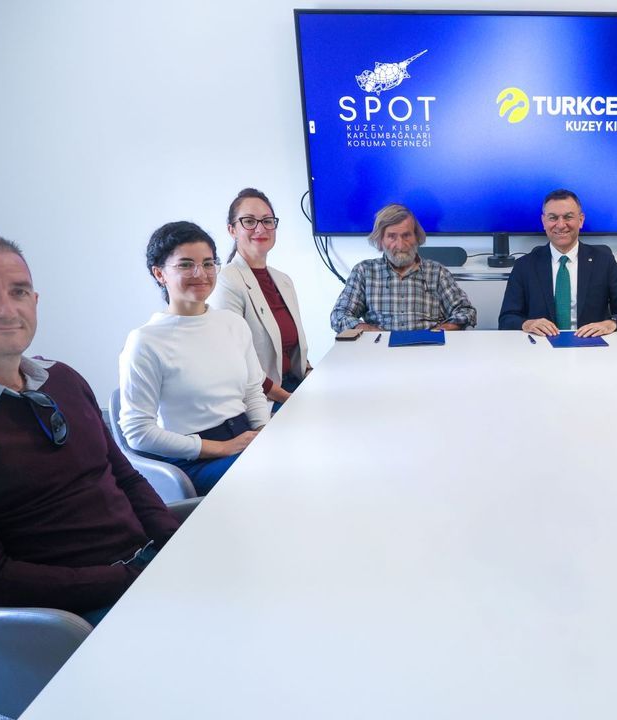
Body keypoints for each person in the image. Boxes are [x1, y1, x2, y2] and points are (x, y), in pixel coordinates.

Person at [0, 231, 180, 623]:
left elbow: (124, 477)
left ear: (35, 301)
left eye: (19, 292)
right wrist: (134, 579)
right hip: (69, 619)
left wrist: (174, 548)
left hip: (142, 573)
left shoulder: (63, 379)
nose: (7, 309)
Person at [119, 221, 269, 495]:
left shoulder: (232, 324)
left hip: (243, 436)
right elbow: (137, 432)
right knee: (274, 473)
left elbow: (252, 391)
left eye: (208, 264)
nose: (201, 273)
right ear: (159, 273)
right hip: (194, 458)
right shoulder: (145, 341)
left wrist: (264, 431)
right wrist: (220, 448)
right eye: (186, 265)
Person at [208, 188, 312, 408]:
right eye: (249, 221)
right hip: (262, 400)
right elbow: (236, 361)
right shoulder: (226, 282)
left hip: (293, 386)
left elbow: (292, 350)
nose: (260, 228)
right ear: (232, 230)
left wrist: (312, 377)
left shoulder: (283, 280)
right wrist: (290, 399)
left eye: (267, 221)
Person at [498, 189, 617, 336]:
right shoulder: (524, 265)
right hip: (541, 345)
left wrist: (611, 323)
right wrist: (527, 324)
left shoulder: (603, 261)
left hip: (592, 344)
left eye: (568, 217)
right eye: (553, 218)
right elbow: (507, 318)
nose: (561, 225)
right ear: (544, 221)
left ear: (581, 220)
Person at [329, 204, 477, 332]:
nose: (400, 245)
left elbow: (466, 312)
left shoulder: (437, 272)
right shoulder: (364, 272)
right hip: (379, 349)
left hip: (429, 348)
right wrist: (369, 331)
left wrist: (439, 331)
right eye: (392, 236)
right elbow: (339, 315)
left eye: (406, 235)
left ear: (417, 237)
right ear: (380, 241)